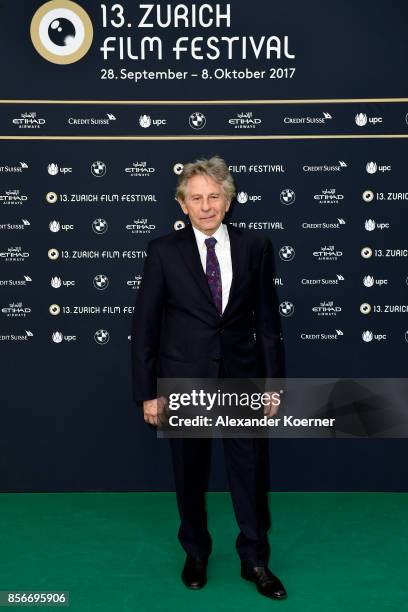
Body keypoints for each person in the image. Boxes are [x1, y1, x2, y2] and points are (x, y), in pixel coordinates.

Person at [130, 155, 287, 600]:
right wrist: (147, 393)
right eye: (196, 198)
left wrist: (274, 385)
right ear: (182, 205)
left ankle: (255, 559)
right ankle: (196, 553)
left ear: (228, 200)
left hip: (242, 380)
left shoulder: (256, 246)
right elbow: (146, 328)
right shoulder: (162, 252)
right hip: (183, 380)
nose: (205, 206)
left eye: (214, 196)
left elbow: (269, 322)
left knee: (251, 473)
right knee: (189, 473)